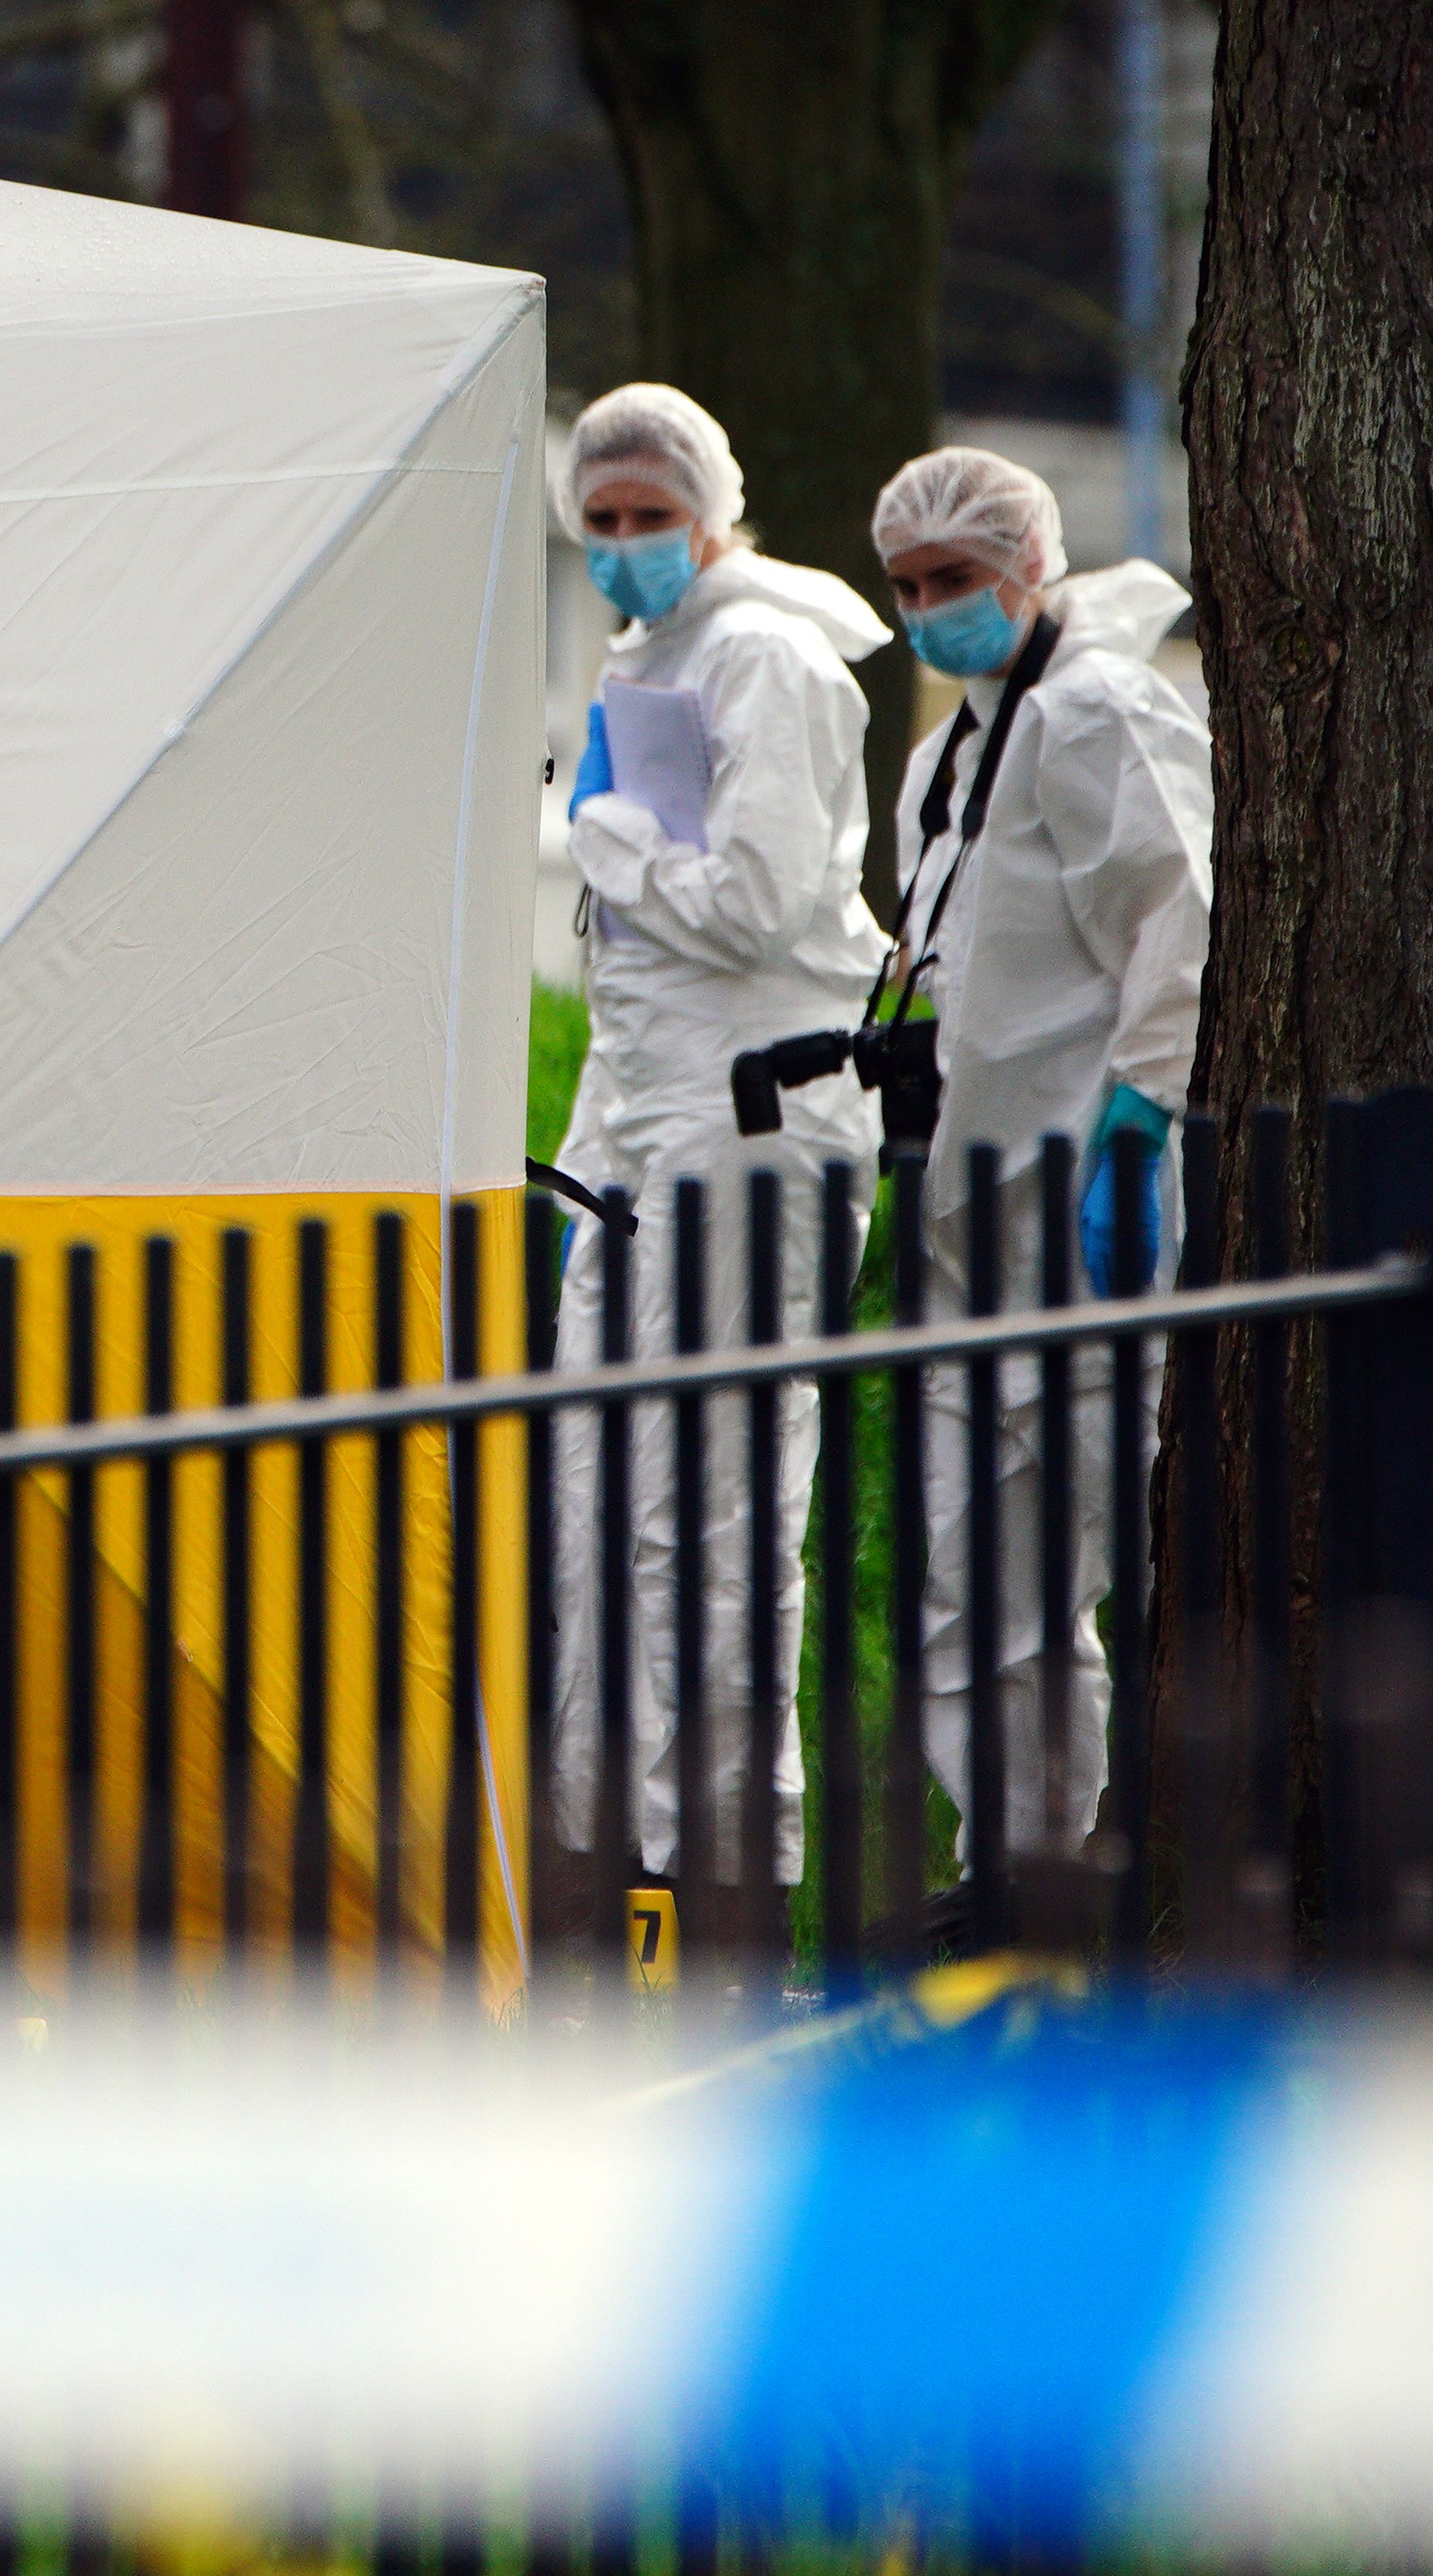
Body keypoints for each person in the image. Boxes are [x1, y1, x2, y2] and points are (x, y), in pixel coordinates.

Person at [542, 385, 891, 1911]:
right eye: (601, 524)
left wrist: (600, 829)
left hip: (756, 1123)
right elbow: (637, 981)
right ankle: (609, 1839)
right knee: (597, 1481)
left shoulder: (768, 654)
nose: (624, 548)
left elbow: (754, 902)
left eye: (646, 520)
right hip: (657, 1124)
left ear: (711, 507)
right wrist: (587, 1155)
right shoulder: (654, 656)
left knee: (717, 1490)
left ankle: (730, 1861)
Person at [870, 444, 1212, 1880]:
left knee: (1126, 1541)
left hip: (1084, 1192)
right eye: (908, 587)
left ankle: (1158, 1843)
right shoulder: (963, 738)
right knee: (971, 1573)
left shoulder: (1093, 711)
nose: (933, 607)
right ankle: (1014, 1860)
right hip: (975, 1216)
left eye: (956, 578)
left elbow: (1184, 911)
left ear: (1028, 564)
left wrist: (1141, 1116)